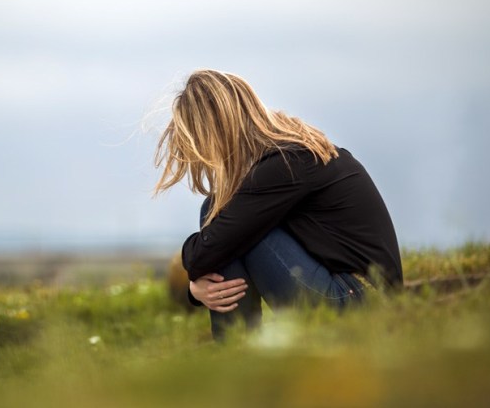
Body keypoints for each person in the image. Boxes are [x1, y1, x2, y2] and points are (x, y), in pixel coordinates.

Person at [153, 69, 403, 340]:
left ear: (217, 129)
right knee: (225, 219)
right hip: (356, 293)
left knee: (220, 216)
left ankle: (236, 352)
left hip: (362, 302)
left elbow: (202, 256)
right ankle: (238, 352)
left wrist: (194, 289)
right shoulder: (288, 153)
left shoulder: (286, 163)